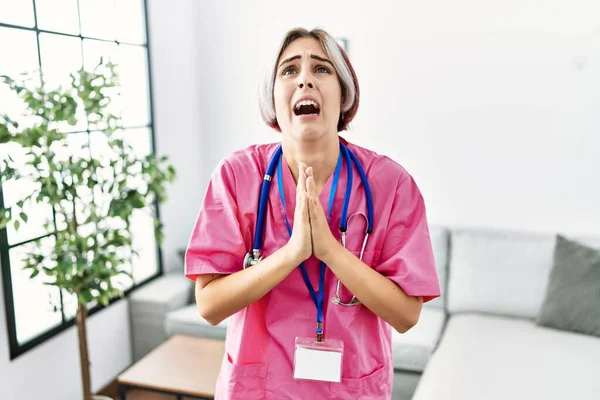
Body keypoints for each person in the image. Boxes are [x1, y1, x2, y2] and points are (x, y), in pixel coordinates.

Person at [184, 27, 440, 399]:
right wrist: (292, 253)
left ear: (344, 93)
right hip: (261, 390)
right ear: (273, 97)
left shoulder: (391, 184)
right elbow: (209, 305)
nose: (304, 78)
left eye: (321, 69)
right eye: (289, 70)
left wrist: (331, 251)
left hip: (350, 387)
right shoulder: (237, 176)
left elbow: (406, 315)